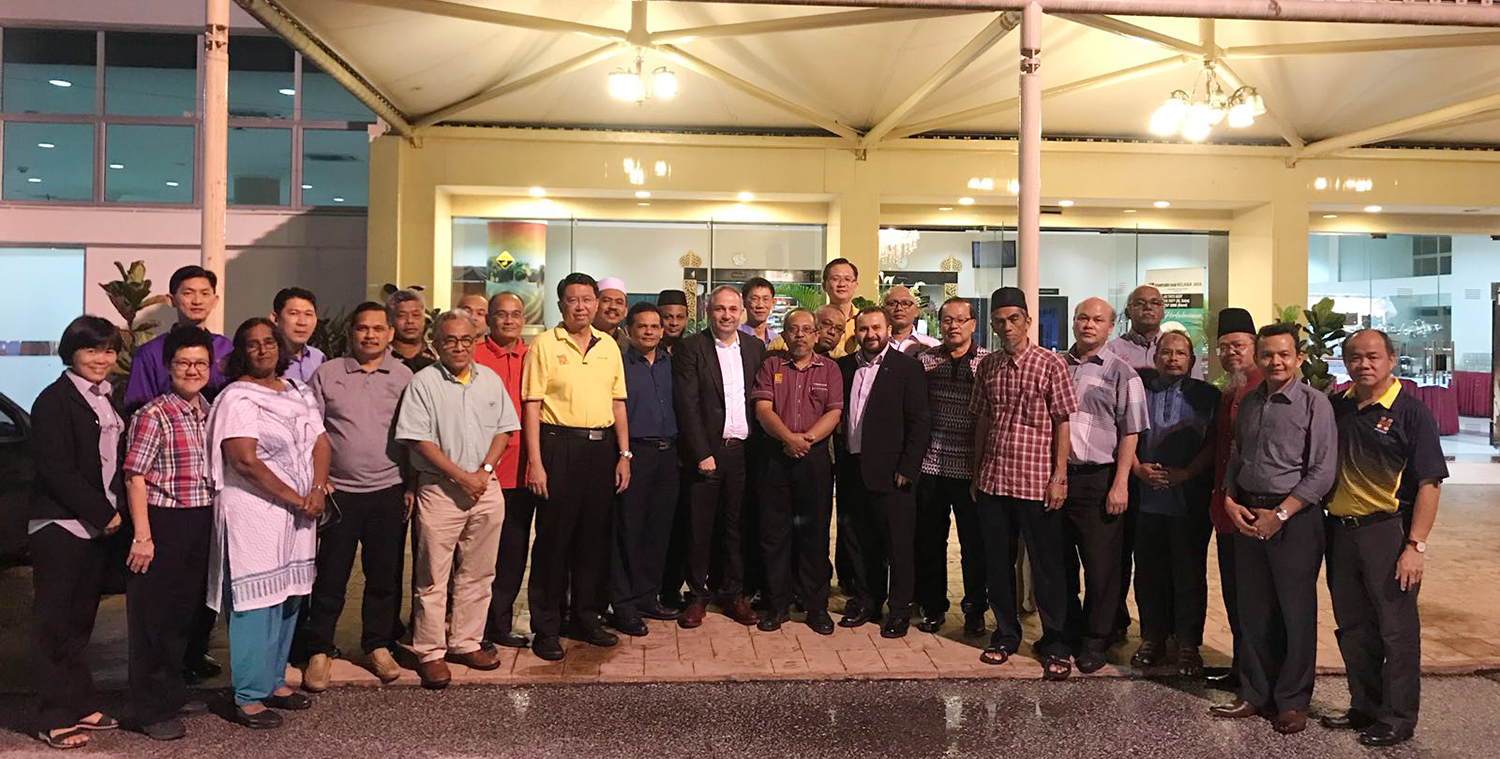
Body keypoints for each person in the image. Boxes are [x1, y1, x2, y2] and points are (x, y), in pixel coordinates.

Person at [1320, 330, 1446, 747]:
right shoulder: (1337, 406)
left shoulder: (1411, 413)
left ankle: (1398, 717)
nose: (1364, 365)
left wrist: (1415, 546)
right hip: (1340, 532)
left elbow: (1430, 483)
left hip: (1388, 533)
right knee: (1353, 626)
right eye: (1354, 357)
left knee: (1396, 630)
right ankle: (1364, 705)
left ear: (1391, 360)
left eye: (1373, 356)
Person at [1209, 322, 1336, 735]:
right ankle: (1254, 692)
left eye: (1284, 354)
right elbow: (1238, 454)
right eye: (1268, 354)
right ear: (1258, 357)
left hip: (1294, 518)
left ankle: (1292, 700)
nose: (1275, 361)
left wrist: (1279, 515)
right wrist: (1230, 498)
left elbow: (1322, 472)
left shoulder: (1315, 404)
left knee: (1295, 612)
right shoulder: (1249, 402)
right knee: (1253, 609)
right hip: (1248, 512)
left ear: (1299, 358)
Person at [206, 318, 329, 729]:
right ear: (242, 352)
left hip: (300, 514)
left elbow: (320, 442)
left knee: (289, 596)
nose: (262, 350)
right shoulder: (237, 398)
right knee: (256, 601)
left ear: (280, 347)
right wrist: (298, 498)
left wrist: (317, 489)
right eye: (252, 344)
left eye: (269, 342)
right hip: (255, 514)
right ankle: (247, 695)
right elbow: (244, 460)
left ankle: (275, 680)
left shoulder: (298, 390)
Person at [395, 311, 519, 688]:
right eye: (450, 339)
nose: (459, 346)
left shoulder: (490, 379)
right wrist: (461, 477)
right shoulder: (423, 383)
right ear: (436, 343)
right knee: (433, 575)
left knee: (479, 571)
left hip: (484, 486)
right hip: (440, 489)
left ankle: (466, 641)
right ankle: (429, 651)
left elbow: (504, 430)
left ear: (475, 340)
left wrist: (483, 472)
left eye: (466, 339)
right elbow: (419, 440)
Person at [297, 303, 414, 691]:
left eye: (378, 329)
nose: (370, 335)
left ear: (390, 334)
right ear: (351, 332)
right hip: (339, 493)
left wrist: (411, 485)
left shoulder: (403, 376)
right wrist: (319, 481)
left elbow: (414, 434)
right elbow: (310, 431)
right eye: (363, 328)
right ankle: (319, 649)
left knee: (384, 576)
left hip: (388, 489)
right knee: (331, 575)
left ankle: (377, 645)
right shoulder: (328, 373)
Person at [970, 287, 1079, 680]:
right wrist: (976, 471)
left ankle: (1056, 641)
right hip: (994, 479)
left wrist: (1059, 476)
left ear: (1028, 321)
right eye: (999, 321)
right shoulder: (988, 366)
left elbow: (1063, 421)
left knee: (1047, 567)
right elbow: (983, 419)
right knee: (997, 564)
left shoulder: (1051, 364)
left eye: (1014, 319)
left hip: (1036, 481)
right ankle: (1005, 633)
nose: (1007, 327)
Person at [522, 273, 631, 661]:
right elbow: (532, 405)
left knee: (593, 540)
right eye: (573, 300)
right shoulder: (544, 345)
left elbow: (618, 403)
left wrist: (624, 454)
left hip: (601, 450)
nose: (581, 306)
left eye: (588, 299)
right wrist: (535, 462)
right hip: (558, 446)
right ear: (561, 305)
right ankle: (547, 627)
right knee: (554, 541)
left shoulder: (609, 346)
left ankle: (586, 618)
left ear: (597, 304)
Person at [28, 316, 126, 749]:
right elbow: (56, 470)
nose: (101, 359)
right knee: (54, 622)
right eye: (91, 350)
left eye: (108, 350)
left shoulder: (106, 397)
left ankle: (80, 701)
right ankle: (53, 716)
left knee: (80, 621)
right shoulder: (53, 401)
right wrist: (104, 513)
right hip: (61, 525)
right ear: (71, 353)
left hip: (96, 526)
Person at [122, 326, 215, 742]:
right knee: (154, 619)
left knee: (185, 615)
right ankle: (149, 708)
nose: (192, 370)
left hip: (201, 520)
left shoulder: (211, 411)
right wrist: (143, 535)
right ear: (167, 367)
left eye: (200, 363)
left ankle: (172, 693)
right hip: (163, 521)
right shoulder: (153, 414)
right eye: (183, 363)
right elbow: (135, 476)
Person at [1060, 298, 1149, 674]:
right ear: (1073, 322)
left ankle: (1096, 639)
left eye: (1097, 320)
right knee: (1060, 564)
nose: (1088, 325)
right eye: (1082, 317)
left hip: (1099, 479)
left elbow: (1131, 431)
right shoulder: (1057, 365)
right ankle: (1065, 633)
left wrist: (1121, 483)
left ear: (1110, 327)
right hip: (1058, 477)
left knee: (1101, 568)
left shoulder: (1123, 373)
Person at [834, 307, 930, 638]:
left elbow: (920, 421)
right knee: (860, 541)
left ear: (888, 329)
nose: (870, 334)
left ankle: (899, 610)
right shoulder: (844, 367)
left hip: (893, 473)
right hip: (852, 468)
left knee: (898, 545)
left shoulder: (907, 368)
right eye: (863, 329)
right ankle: (867, 602)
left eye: (876, 327)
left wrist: (908, 467)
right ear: (856, 332)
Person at [673, 285, 766, 628]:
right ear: (708, 311)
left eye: (732, 309)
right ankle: (698, 595)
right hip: (707, 455)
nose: (726, 315)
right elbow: (687, 404)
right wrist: (701, 452)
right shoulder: (691, 348)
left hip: (743, 453)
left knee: (736, 526)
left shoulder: (755, 349)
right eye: (719, 309)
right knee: (700, 527)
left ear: (741, 313)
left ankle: (733, 594)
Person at [1130, 330, 1218, 678]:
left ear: (1192, 360)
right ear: (1156, 358)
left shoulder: (1208, 397)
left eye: (1181, 353)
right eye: (1167, 352)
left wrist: (1187, 473)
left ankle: (1187, 644)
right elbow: (1126, 433)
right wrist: (1138, 469)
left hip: (1189, 498)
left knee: (1188, 573)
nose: (1173, 359)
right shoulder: (1141, 391)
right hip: (1146, 497)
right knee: (1148, 572)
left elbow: (1215, 443)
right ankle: (1152, 638)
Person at [752, 308, 844, 635]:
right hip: (776, 458)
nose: (800, 335)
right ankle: (777, 606)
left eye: (807, 329)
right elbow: (763, 410)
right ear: (785, 334)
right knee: (774, 535)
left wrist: (806, 440)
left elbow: (834, 412)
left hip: (814, 459)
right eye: (794, 329)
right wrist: (788, 439)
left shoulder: (830, 369)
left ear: (816, 335)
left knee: (814, 535)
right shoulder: (771, 366)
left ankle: (816, 607)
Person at [914, 297, 990, 637]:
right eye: (947, 320)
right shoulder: (926, 360)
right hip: (932, 464)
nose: (953, 326)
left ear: (973, 324)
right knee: (930, 542)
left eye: (960, 320)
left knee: (975, 545)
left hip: (972, 468)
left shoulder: (988, 362)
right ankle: (933, 607)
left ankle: (974, 610)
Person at [610, 303, 683, 635]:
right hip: (635, 453)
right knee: (629, 530)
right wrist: (623, 455)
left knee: (659, 530)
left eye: (655, 326)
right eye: (643, 326)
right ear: (630, 329)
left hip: (668, 455)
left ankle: (647, 597)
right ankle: (623, 604)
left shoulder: (672, 363)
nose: (650, 332)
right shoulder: (620, 364)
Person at [473, 292, 537, 650]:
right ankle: (472, 628)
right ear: (489, 319)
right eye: (501, 314)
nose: (509, 321)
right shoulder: (473, 356)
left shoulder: (533, 356)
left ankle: (499, 624)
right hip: (482, 473)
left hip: (523, 471)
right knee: (477, 557)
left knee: (513, 555)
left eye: (515, 314)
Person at [1204, 307, 1262, 689]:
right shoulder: (1229, 390)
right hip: (1225, 511)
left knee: (1255, 599)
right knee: (1234, 594)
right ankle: (1241, 669)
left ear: (1254, 345)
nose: (1230, 353)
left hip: (1254, 512)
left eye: (1238, 345)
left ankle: (1257, 677)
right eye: (1223, 347)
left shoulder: (1264, 388)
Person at [124, 265, 234, 413]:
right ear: (171, 300)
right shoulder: (150, 352)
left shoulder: (225, 348)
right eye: (188, 293)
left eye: (205, 293)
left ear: (215, 300)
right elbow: (136, 406)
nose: (197, 301)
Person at [1105, 285, 1205, 380]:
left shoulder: (1182, 349)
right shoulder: (1111, 351)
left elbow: (1196, 385)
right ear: (1127, 312)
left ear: (1163, 312)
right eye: (1140, 303)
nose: (1148, 307)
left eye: (1155, 303)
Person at [768, 259, 858, 356]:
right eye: (835, 279)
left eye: (847, 279)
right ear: (824, 285)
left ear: (856, 285)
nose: (842, 284)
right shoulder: (808, 322)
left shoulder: (862, 322)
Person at [272, 287, 325, 383]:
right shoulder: (267, 358)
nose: (302, 322)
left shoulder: (319, 357)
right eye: (294, 313)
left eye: (308, 314)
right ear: (275, 319)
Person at [387, 288, 436, 373]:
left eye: (416, 315)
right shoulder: (380, 356)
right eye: (402, 315)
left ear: (424, 319)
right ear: (390, 320)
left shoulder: (438, 354)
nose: (410, 321)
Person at [885, 285, 939, 355]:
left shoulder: (932, 345)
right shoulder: (876, 344)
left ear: (916, 311)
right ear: (883, 309)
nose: (899, 308)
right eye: (892, 303)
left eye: (906, 303)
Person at [739, 277, 779, 346]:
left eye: (765, 299)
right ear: (744, 302)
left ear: (773, 302)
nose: (760, 305)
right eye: (754, 299)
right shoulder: (734, 336)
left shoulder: (776, 340)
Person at [593, 277, 630, 341]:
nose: (613, 306)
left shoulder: (629, 345)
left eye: (619, 302)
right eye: (606, 300)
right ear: (595, 305)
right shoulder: (579, 339)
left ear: (626, 310)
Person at [657, 289, 690, 355]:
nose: (674, 323)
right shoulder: (648, 351)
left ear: (686, 319)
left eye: (680, 317)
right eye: (668, 317)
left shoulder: (692, 350)